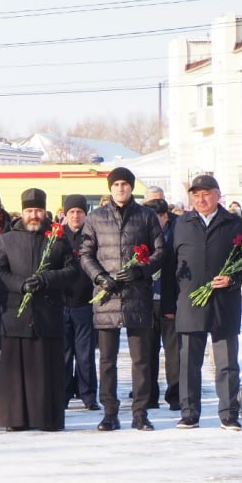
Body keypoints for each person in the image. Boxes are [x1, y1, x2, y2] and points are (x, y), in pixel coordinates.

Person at [162, 175, 242, 430]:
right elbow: (171, 266)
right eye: (196, 195)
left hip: (223, 303)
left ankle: (228, 413)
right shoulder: (182, 223)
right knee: (188, 363)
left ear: (218, 195)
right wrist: (169, 306)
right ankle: (189, 412)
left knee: (227, 362)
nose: (201, 199)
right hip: (189, 302)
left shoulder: (235, 224)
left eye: (206, 194)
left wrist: (233, 278)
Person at [78, 166, 164, 431]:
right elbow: (85, 253)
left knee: (141, 359)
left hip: (137, 295)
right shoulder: (96, 218)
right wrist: (100, 277)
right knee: (107, 360)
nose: (121, 189)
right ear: (110, 188)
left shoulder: (147, 216)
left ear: (131, 187)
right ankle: (110, 412)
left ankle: (140, 413)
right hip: (107, 296)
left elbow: (160, 251)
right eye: (116, 185)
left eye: (125, 184)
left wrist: (140, 269)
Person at [0, 189, 79, 431]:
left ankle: (47, 418)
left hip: (48, 314)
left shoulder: (59, 239)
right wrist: (20, 284)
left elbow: (73, 272)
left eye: (38, 210)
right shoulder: (7, 239)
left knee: (46, 370)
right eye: (29, 211)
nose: (34, 215)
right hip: (15, 313)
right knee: (15, 371)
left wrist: (46, 279)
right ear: (23, 212)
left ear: (44, 211)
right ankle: (15, 419)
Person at [60, 195, 98, 411]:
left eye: (80, 212)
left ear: (85, 214)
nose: (75, 216)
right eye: (72, 212)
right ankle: (63, 392)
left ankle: (88, 394)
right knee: (64, 354)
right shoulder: (57, 237)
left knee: (85, 355)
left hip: (85, 303)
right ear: (65, 214)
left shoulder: (91, 236)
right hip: (63, 303)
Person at [144, 198, 181, 411]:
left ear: (165, 216)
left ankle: (175, 395)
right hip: (147, 303)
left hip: (169, 302)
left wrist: (173, 304)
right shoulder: (142, 235)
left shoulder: (174, 236)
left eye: (157, 216)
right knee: (147, 353)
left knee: (173, 354)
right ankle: (149, 396)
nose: (154, 220)